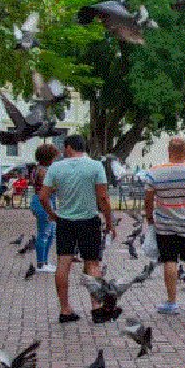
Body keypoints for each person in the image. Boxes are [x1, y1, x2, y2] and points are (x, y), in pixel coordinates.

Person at [39, 134, 116, 324]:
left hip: (65, 221)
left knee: (63, 263)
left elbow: (43, 197)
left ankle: (65, 309)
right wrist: (109, 221)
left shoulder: (56, 167)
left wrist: (52, 214)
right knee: (92, 264)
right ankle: (96, 308)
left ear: (68, 147)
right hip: (89, 220)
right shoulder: (95, 166)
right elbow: (103, 197)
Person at [140, 137, 185, 315]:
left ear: (168, 151)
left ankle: (172, 302)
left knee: (169, 261)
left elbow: (148, 200)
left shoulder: (155, 172)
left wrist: (150, 219)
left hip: (165, 223)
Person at [29, 144, 60, 273]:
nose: (54, 159)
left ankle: (45, 261)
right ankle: (41, 263)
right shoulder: (42, 171)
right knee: (44, 233)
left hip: (44, 201)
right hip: (43, 202)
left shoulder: (40, 169)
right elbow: (46, 189)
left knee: (50, 233)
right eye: (53, 157)